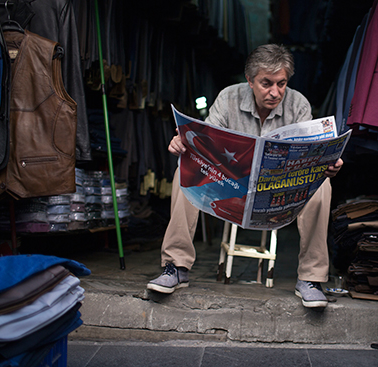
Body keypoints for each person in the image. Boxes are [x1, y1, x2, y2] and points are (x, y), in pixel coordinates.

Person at [147, 44, 343, 308]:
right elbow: (203, 147)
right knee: (185, 170)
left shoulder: (298, 105)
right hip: (231, 186)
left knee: (322, 185)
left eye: (282, 83)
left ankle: (311, 278)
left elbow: (311, 155)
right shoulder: (228, 98)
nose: (275, 92)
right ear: (250, 80)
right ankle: (176, 267)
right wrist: (182, 145)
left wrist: (326, 164)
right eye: (266, 83)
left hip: (278, 190)